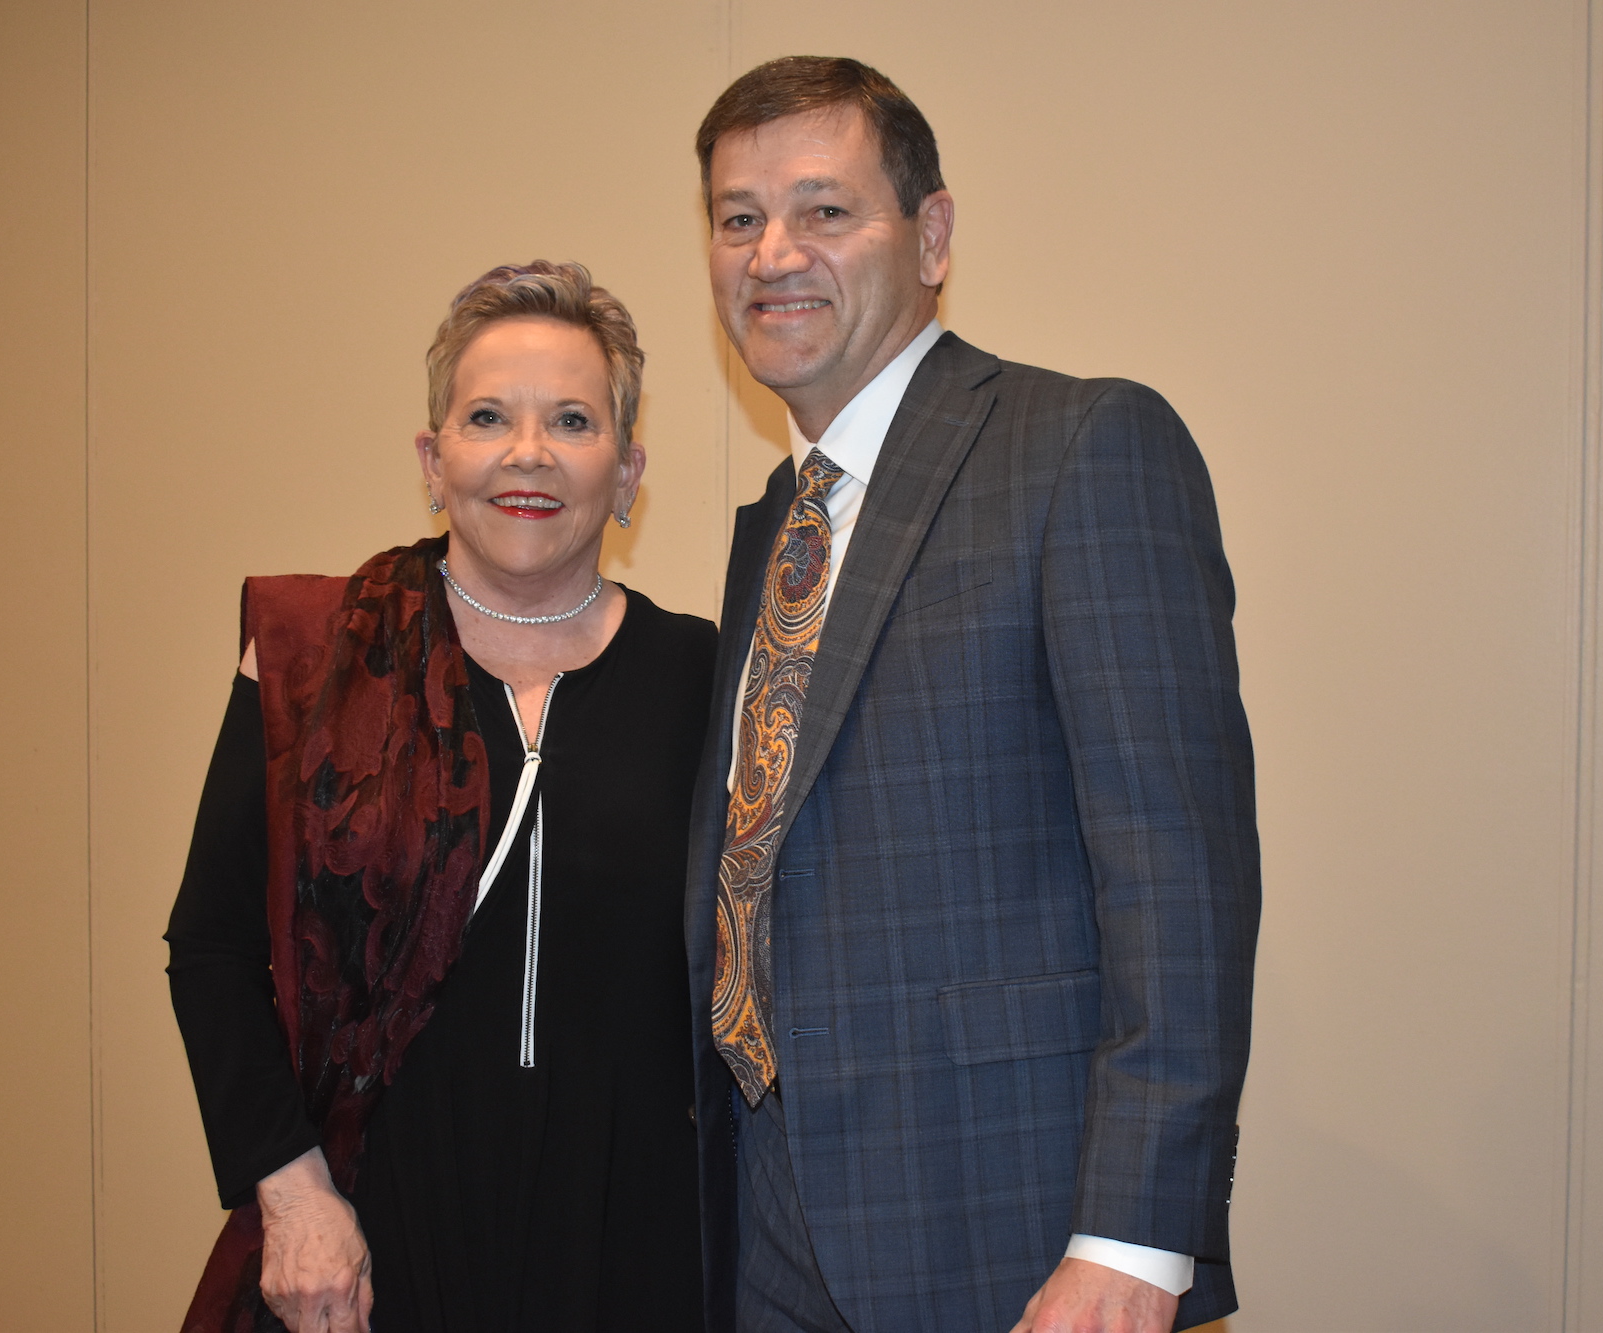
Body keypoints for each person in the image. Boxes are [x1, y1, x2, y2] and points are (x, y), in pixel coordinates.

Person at [684, 58, 1261, 1333]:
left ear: (931, 235)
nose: (772, 253)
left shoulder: (1080, 448)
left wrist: (1131, 1241)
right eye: (737, 218)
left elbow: (1177, 880)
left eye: (823, 210)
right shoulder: (773, 528)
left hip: (1007, 1232)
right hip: (764, 1223)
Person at [167, 261, 713, 1333]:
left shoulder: (707, 679)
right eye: (487, 417)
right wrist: (292, 1194)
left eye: (572, 420)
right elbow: (214, 946)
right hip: (372, 1241)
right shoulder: (313, 659)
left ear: (627, 470)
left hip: (635, 1245)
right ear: (433, 459)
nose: (528, 452)